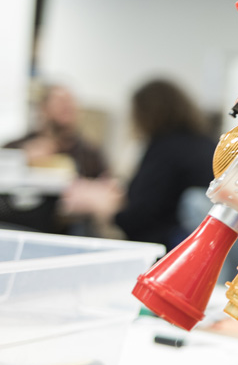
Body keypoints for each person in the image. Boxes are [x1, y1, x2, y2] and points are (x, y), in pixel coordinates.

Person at [60, 79, 216, 249]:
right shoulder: (205, 144)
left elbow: (136, 219)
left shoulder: (165, 149)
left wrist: (102, 207)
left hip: (170, 249)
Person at [2, 84, 110, 233]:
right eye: (60, 102)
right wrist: (24, 158)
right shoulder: (17, 146)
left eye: (70, 102)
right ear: (44, 108)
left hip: (64, 229)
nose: (67, 107)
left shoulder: (89, 153)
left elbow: (107, 187)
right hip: (17, 224)